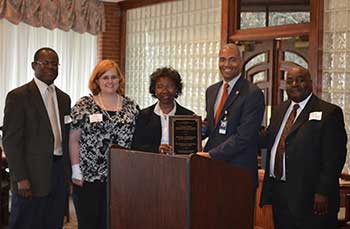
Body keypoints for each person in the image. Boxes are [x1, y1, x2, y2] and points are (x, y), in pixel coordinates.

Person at [260, 63, 347, 229]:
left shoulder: (329, 113)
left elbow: (334, 157)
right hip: (279, 190)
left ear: (311, 83)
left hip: (310, 196)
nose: (294, 85)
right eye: (290, 81)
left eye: (300, 80)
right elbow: (269, 139)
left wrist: (322, 192)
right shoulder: (279, 110)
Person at [2, 47, 71, 229]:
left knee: (53, 222)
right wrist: (20, 177)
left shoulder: (65, 99)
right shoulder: (18, 97)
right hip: (30, 175)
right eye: (45, 63)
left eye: (54, 64)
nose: (50, 67)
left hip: (58, 173)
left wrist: (68, 176)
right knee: (25, 223)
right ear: (34, 65)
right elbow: (11, 141)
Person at [69, 59, 139, 229]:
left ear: (119, 80)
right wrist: (76, 170)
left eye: (114, 77)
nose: (110, 81)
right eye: (105, 77)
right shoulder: (84, 105)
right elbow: (73, 140)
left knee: (114, 222)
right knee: (89, 223)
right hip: (88, 177)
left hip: (120, 178)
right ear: (97, 81)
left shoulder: (131, 106)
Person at [197, 43, 265, 188]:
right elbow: (211, 126)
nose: (226, 64)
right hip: (213, 171)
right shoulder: (212, 91)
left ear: (241, 62)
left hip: (238, 173)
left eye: (232, 59)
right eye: (222, 59)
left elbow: (244, 137)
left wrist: (211, 155)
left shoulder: (252, 93)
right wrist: (191, 130)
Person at [132, 67, 194, 154]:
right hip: (150, 164)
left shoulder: (188, 116)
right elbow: (136, 146)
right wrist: (157, 149)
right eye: (160, 86)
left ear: (177, 89)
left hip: (179, 164)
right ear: (154, 90)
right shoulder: (144, 115)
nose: (165, 91)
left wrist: (199, 129)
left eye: (170, 86)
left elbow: (191, 147)